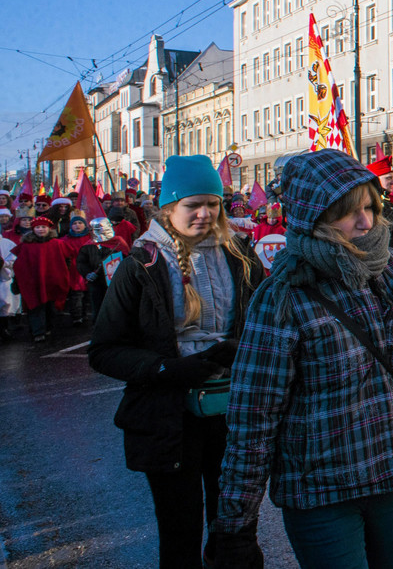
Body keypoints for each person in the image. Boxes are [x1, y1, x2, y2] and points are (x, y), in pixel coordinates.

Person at [204, 149, 393, 569]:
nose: (366, 222)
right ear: (315, 217)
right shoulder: (283, 297)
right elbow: (253, 420)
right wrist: (235, 524)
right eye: (349, 213)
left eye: (370, 206)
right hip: (323, 491)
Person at [87, 155, 264, 569]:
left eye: (213, 204)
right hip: (169, 419)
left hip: (234, 414)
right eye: (192, 205)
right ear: (168, 208)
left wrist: (242, 347)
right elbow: (104, 350)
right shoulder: (142, 265)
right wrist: (170, 369)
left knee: (235, 534)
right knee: (180, 535)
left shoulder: (239, 255)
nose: (205, 214)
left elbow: (263, 321)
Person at [12, 216, 72, 343]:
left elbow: (67, 259)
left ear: (48, 228)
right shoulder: (27, 246)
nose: (40, 230)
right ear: (33, 229)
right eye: (38, 227)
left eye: (43, 227)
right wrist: (17, 281)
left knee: (50, 306)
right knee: (35, 305)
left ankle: (48, 327)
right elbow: (19, 265)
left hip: (52, 280)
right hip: (33, 282)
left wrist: (63, 273)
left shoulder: (57, 244)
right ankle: (38, 331)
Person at [76, 217, 130, 320]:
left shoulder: (119, 243)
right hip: (96, 282)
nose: (101, 231)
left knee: (116, 307)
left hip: (115, 282)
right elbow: (81, 263)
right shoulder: (88, 246)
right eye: (96, 229)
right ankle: (98, 330)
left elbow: (127, 260)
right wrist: (87, 273)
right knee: (98, 307)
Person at [59, 210, 92, 326]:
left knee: (88, 295)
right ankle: (77, 316)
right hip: (73, 270)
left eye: (80, 223)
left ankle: (85, 314)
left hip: (88, 269)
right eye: (74, 223)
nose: (77, 225)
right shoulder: (65, 240)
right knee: (76, 295)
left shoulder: (91, 238)